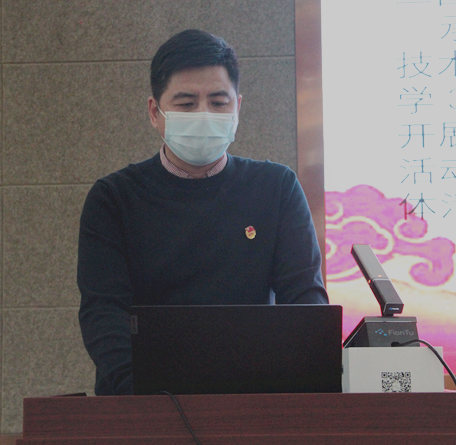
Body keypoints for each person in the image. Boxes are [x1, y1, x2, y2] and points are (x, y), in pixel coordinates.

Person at [77, 29, 329, 395]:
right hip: (143, 406)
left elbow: (305, 301)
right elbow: (103, 313)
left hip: (255, 401)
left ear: (237, 107)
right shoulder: (114, 199)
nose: (204, 114)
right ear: (155, 113)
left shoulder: (276, 188)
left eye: (218, 102)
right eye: (186, 103)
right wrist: (143, 398)